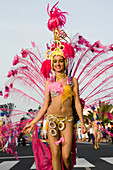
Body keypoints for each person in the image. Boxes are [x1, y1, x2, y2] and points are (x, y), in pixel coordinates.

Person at [23, 3, 86, 170]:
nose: (58, 63)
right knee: (55, 154)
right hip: (51, 120)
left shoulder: (73, 81)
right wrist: (33, 122)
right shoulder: (48, 83)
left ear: (65, 62)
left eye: (61, 61)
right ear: (51, 64)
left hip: (69, 121)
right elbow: (45, 106)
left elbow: (77, 103)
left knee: (66, 157)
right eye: (55, 61)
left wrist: (83, 123)